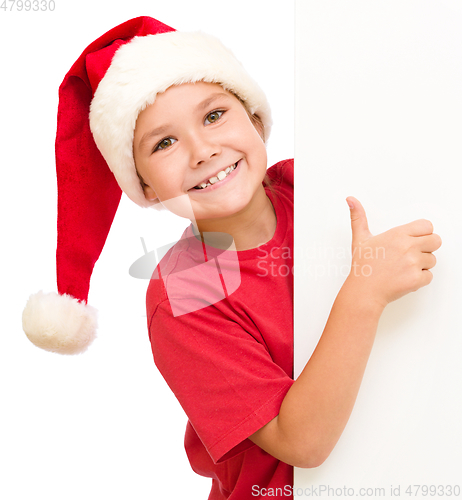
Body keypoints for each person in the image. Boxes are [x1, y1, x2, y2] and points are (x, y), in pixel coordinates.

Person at [21, 15, 442, 500]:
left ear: (256, 120)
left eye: (214, 115)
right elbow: (299, 442)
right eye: (164, 143)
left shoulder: (311, 186)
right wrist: (364, 295)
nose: (202, 150)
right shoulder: (188, 286)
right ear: (147, 187)